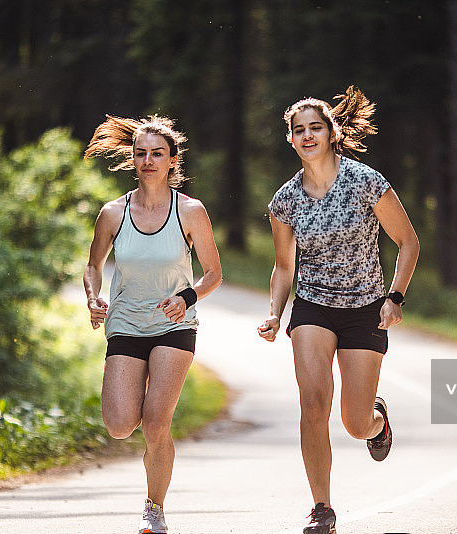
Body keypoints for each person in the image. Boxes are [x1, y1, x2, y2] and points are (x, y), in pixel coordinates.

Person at [257, 86, 419, 534]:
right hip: (313, 306)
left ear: (332, 132)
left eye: (316, 127)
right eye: (299, 130)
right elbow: (284, 266)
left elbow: (408, 243)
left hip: (365, 308)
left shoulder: (366, 181)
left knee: (353, 421)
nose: (307, 135)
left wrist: (395, 297)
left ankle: (377, 421)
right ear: (290, 139)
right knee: (312, 403)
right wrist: (275, 312)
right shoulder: (284, 200)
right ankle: (322, 509)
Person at [83, 114, 222, 534]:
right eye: (141, 153)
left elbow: (214, 273)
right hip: (125, 323)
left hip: (173, 325)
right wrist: (93, 296)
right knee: (120, 424)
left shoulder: (190, 211)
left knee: (157, 422)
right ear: (133, 159)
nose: (148, 161)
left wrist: (187, 297)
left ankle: (154, 509)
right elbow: (93, 265)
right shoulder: (113, 213)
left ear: (172, 160)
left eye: (157, 154)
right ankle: (144, 418)